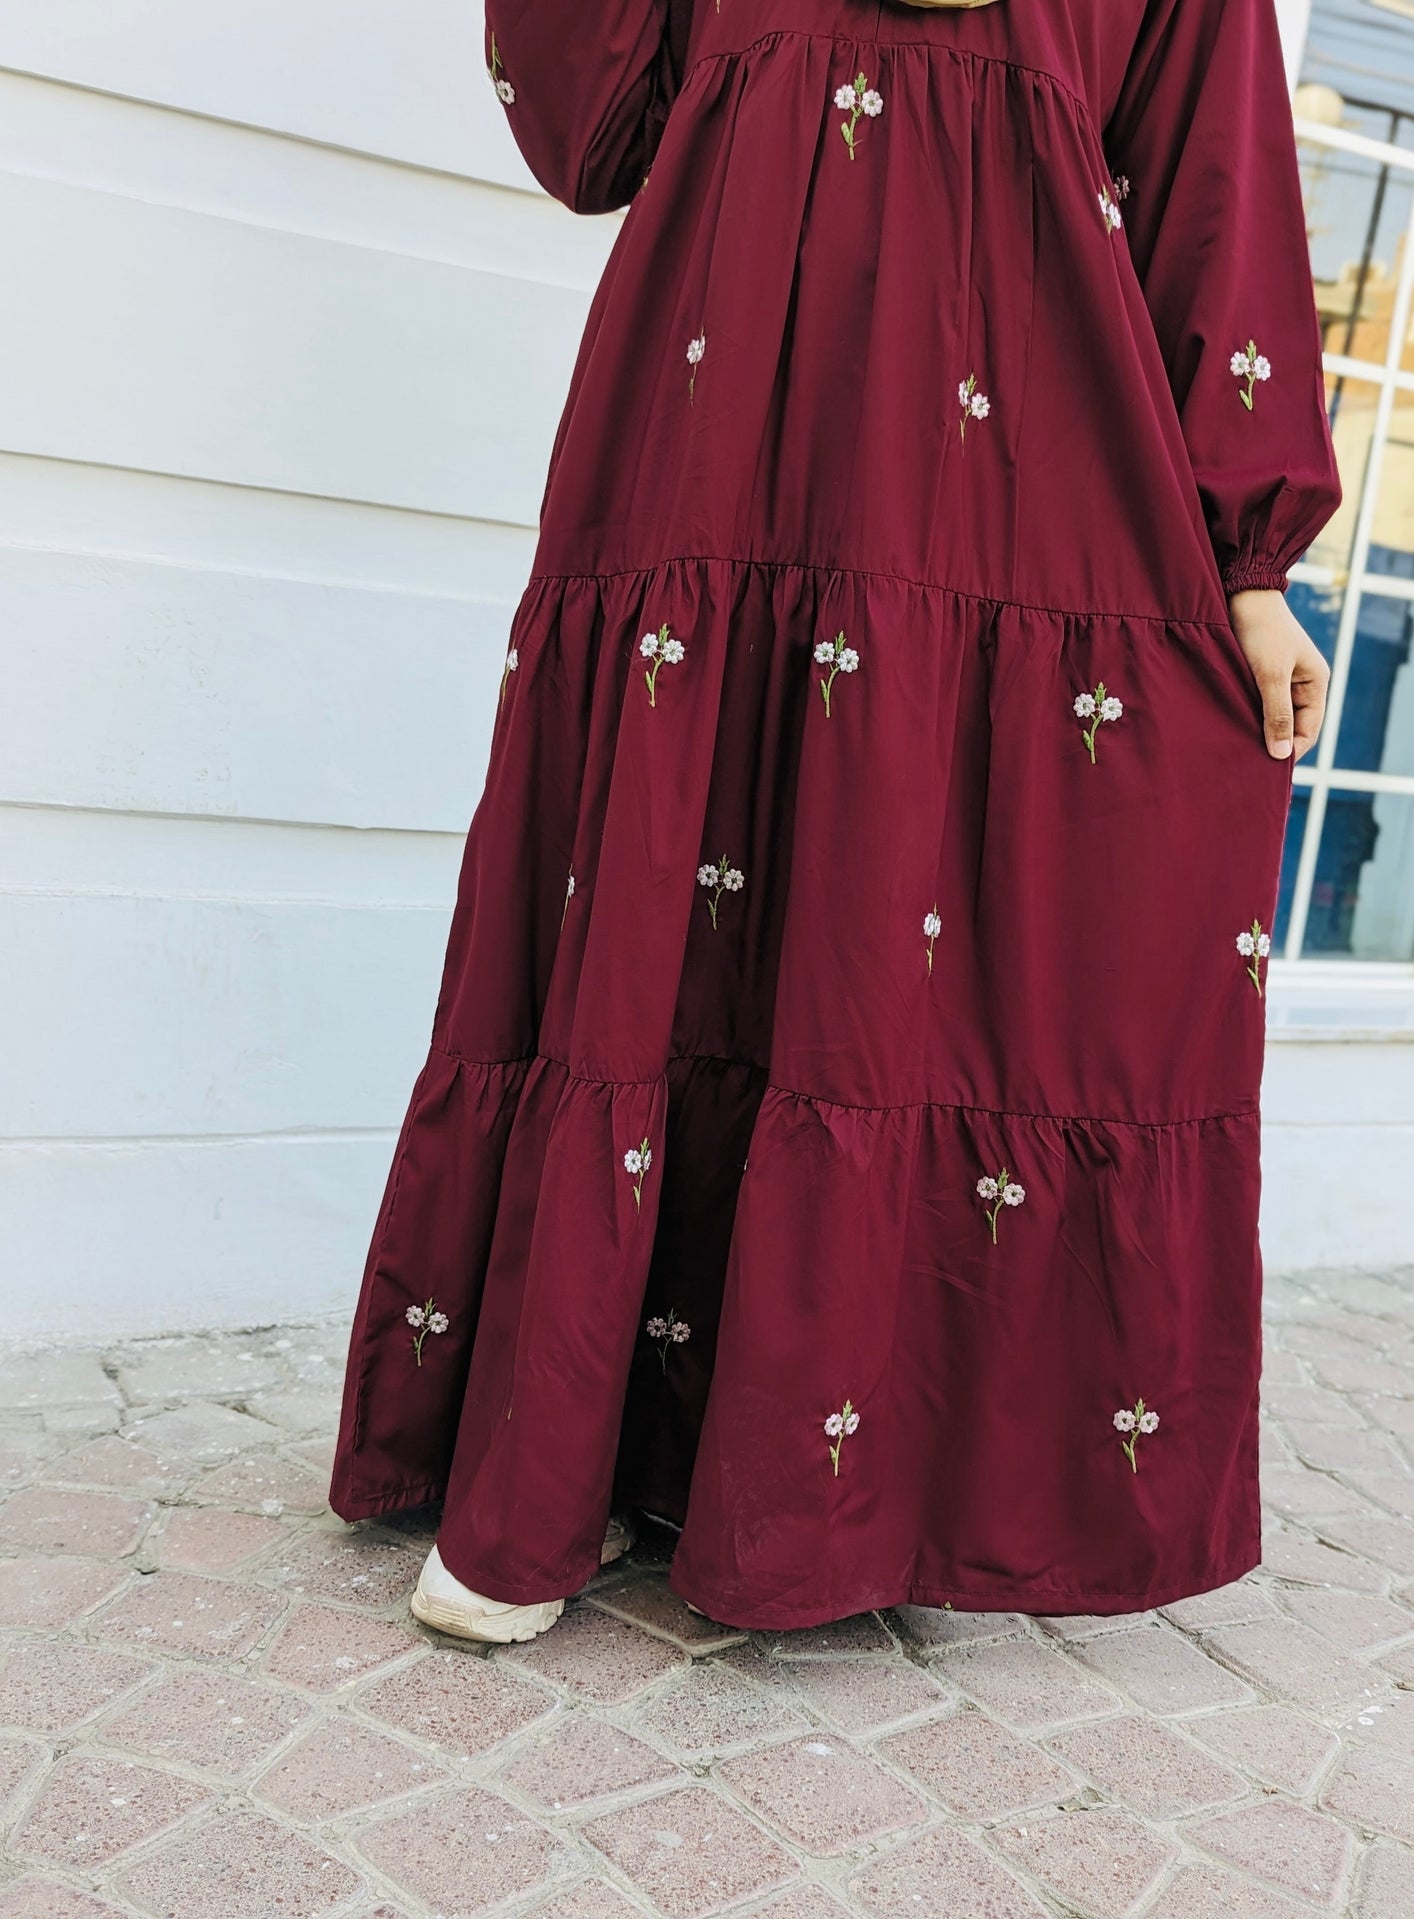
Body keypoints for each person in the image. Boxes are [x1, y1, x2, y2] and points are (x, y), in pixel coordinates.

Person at [328, 0, 1341, 1642]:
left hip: (1009, 483)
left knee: (895, 927)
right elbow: (586, 131)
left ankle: (824, 1500)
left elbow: (1212, 194)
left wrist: (1249, 565)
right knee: (667, 898)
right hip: (713, 459)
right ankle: (561, 1463)